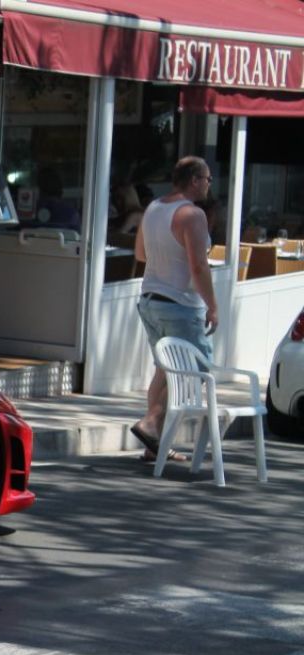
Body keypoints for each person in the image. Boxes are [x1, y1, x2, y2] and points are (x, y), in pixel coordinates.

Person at [129, 156, 219, 463]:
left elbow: (141, 253)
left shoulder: (153, 208)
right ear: (194, 180)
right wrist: (213, 306)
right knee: (192, 368)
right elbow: (198, 265)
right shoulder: (192, 215)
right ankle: (151, 423)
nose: (209, 184)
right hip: (180, 304)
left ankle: (154, 444)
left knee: (164, 369)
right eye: (207, 179)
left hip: (150, 300)